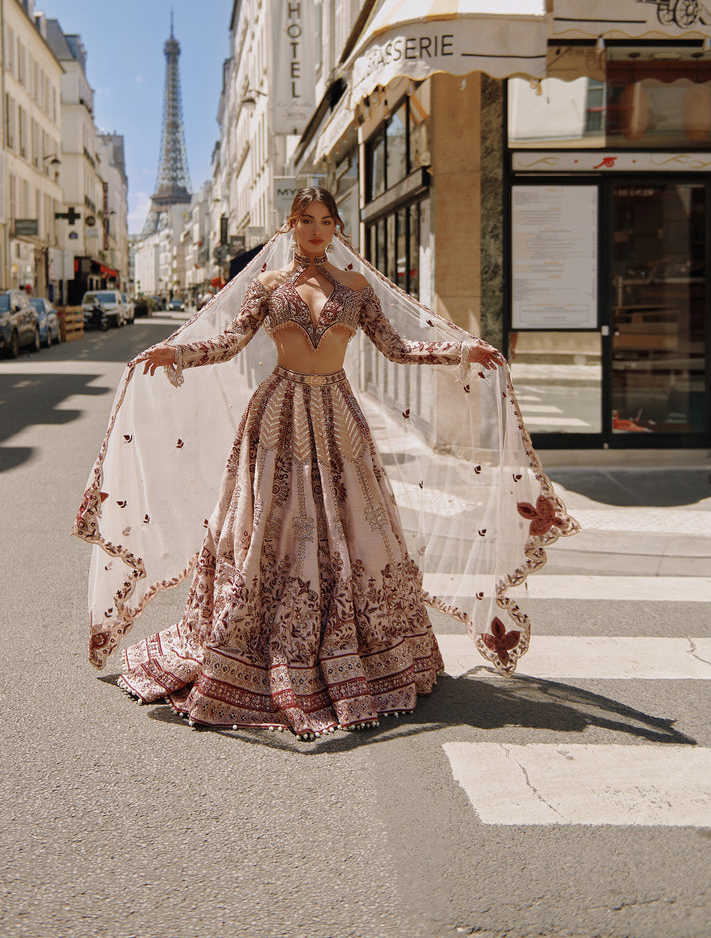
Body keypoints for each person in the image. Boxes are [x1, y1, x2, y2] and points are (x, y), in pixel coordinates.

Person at [75, 186, 579, 740]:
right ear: (289, 226)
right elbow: (230, 341)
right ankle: (261, 647)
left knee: (353, 524)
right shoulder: (267, 285)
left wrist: (461, 351)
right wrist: (177, 353)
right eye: (305, 220)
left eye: (325, 220)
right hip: (278, 417)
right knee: (272, 524)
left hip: (338, 418)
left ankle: (365, 649)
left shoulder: (358, 287)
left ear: (337, 228)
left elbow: (396, 347)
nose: (316, 230)